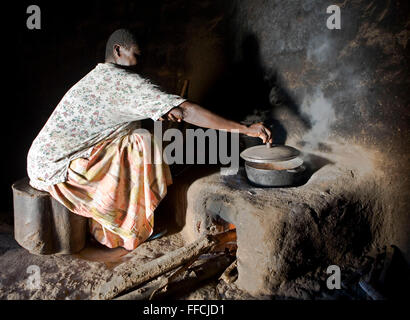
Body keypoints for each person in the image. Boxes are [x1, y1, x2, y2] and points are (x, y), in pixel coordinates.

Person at [27, 29, 272, 251]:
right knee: (141, 142)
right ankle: (125, 228)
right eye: (136, 55)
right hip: (59, 168)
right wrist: (246, 129)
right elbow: (187, 111)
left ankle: (118, 216)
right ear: (118, 51)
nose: (140, 61)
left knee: (133, 136)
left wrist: (166, 108)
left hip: (41, 160)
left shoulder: (97, 77)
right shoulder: (123, 82)